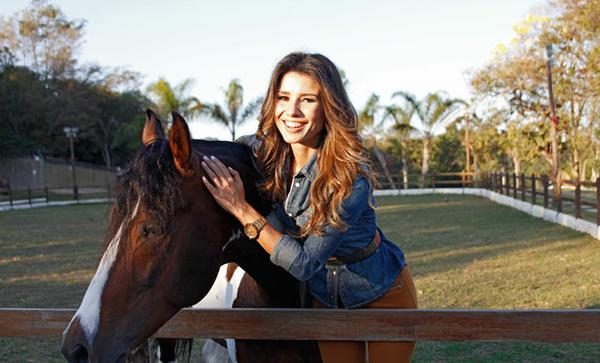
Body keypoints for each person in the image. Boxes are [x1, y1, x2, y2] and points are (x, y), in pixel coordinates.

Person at [201, 52, 418, 363]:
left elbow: (304, 264)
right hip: (325, 300)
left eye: (307, 100)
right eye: (283, 97)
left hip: (382, 294)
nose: (292, 111)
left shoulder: (348, 178)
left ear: (328, 107)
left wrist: (241, 209)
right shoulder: (265, 154)